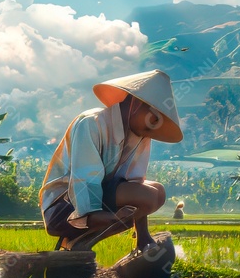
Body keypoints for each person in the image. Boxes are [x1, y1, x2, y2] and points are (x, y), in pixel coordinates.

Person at [40, 70, 182, 252]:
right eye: (153, 119)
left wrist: (142, 234)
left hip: (102, 199)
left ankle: (82, 240)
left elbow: (134, 182)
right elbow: (85, 178)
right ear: (137, 104)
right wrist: (100, 216)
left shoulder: (139, 135)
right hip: (64, 208)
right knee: (148, 196)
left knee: (158, 192)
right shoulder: (91, 123)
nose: (152, 128)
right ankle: (77, 237)